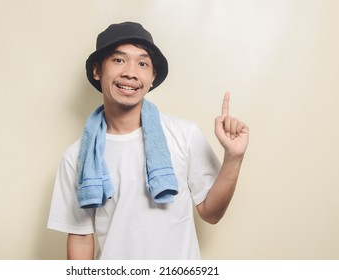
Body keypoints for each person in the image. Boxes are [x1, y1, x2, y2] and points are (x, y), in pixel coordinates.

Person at [47, 21, 249, 260]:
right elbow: (81, 237)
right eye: (119, 60)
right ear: (97, 70)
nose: (131, 72)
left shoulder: (184, 135)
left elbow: (211, 213)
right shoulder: (78, 156)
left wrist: (234, 158)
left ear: (152, 76)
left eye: (142, 63)